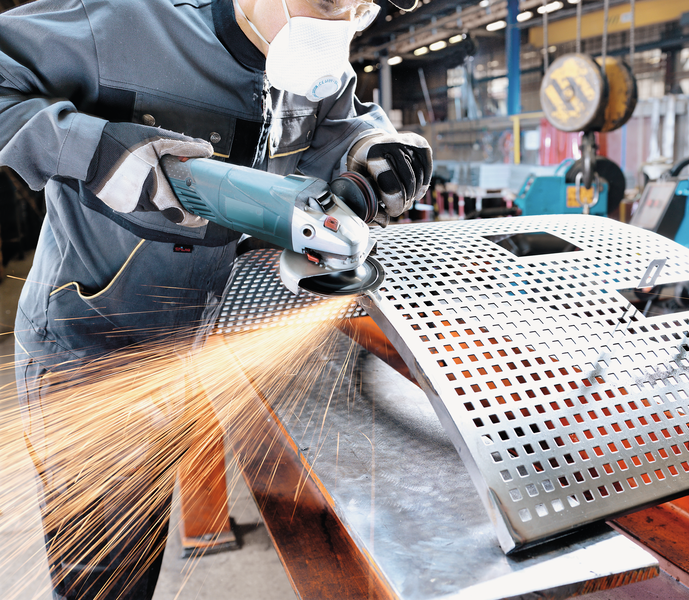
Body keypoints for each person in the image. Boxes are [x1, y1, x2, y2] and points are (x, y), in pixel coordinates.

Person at [0, 0, 431, 597]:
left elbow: (337, 129)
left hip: (186, 348)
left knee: (142, 549)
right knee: (102, 579)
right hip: (88, 352)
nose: (341, 25)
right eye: (331, 2)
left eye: (363, 8)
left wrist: (371, 151)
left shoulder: (308, 58)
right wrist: (90, 149)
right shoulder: (120, 20)